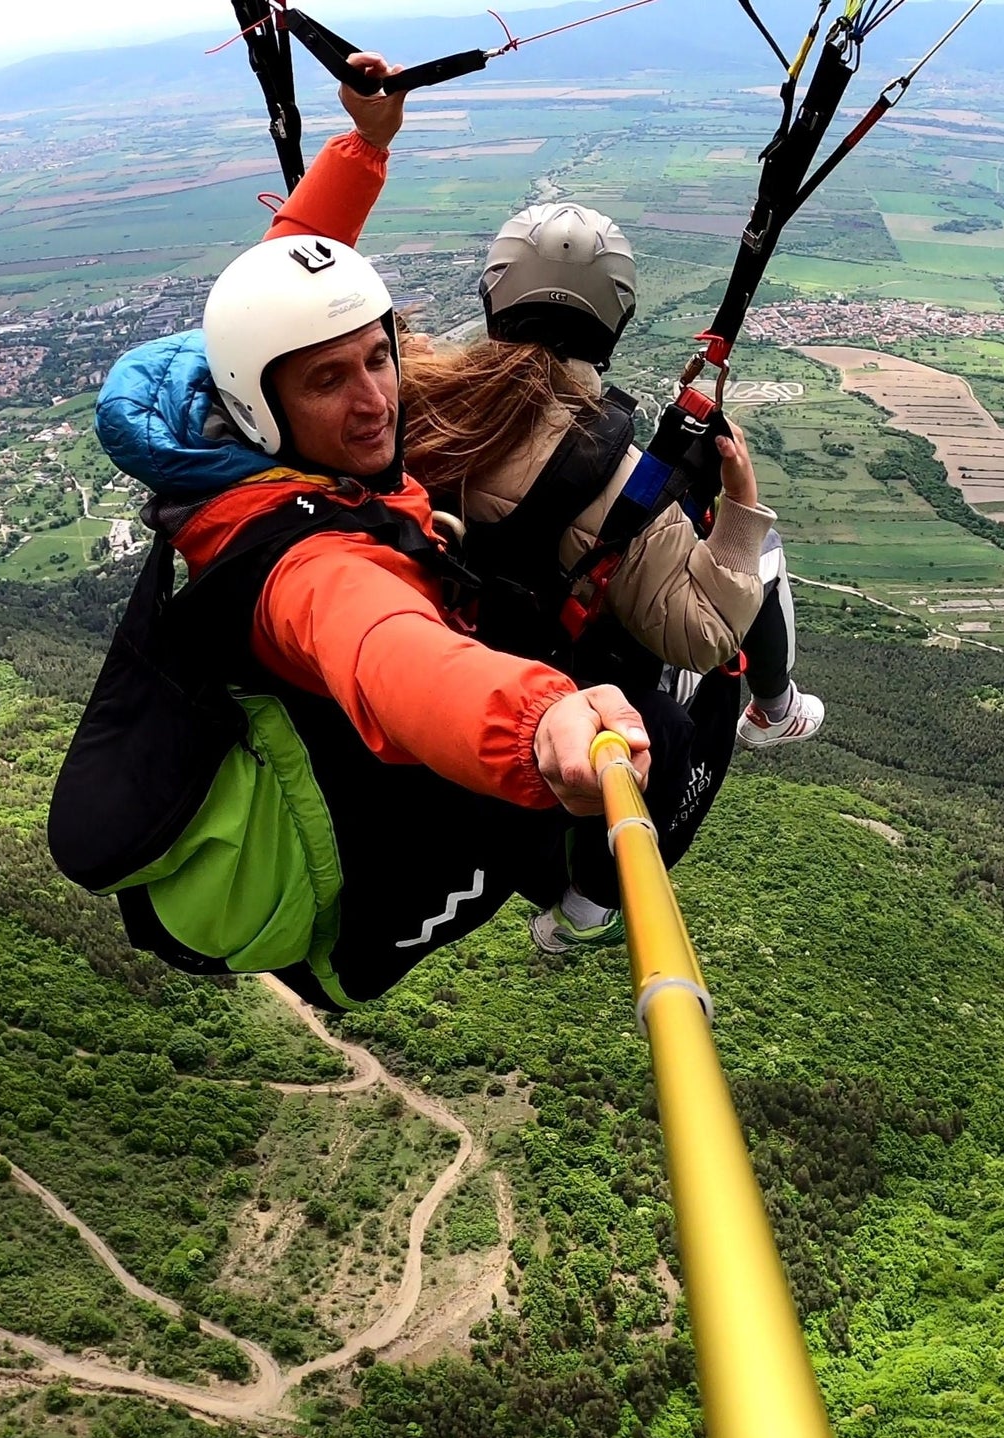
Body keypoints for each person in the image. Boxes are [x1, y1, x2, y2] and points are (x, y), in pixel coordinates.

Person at [82, 56, 757, 1005]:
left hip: (315, 717)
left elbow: (280, 281)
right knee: (672, 739)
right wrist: (539, 719)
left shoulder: (232, 419)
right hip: (372, 828)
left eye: (376, 358)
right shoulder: (304, 563)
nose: (373, 402)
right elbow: (386, 650)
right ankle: (585, 904)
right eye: (330, 381)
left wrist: (364, 146)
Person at [256, 58, 823, 951]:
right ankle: (771, 712)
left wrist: (361, 149)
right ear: (618, 318)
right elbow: (704, 631)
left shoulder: (394, 395)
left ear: (491, 298)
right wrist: (742, 510)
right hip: (549, 679)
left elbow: (286, 307)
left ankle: (598, 884)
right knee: (744, 598)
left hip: (448, 640)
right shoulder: (611, 477)